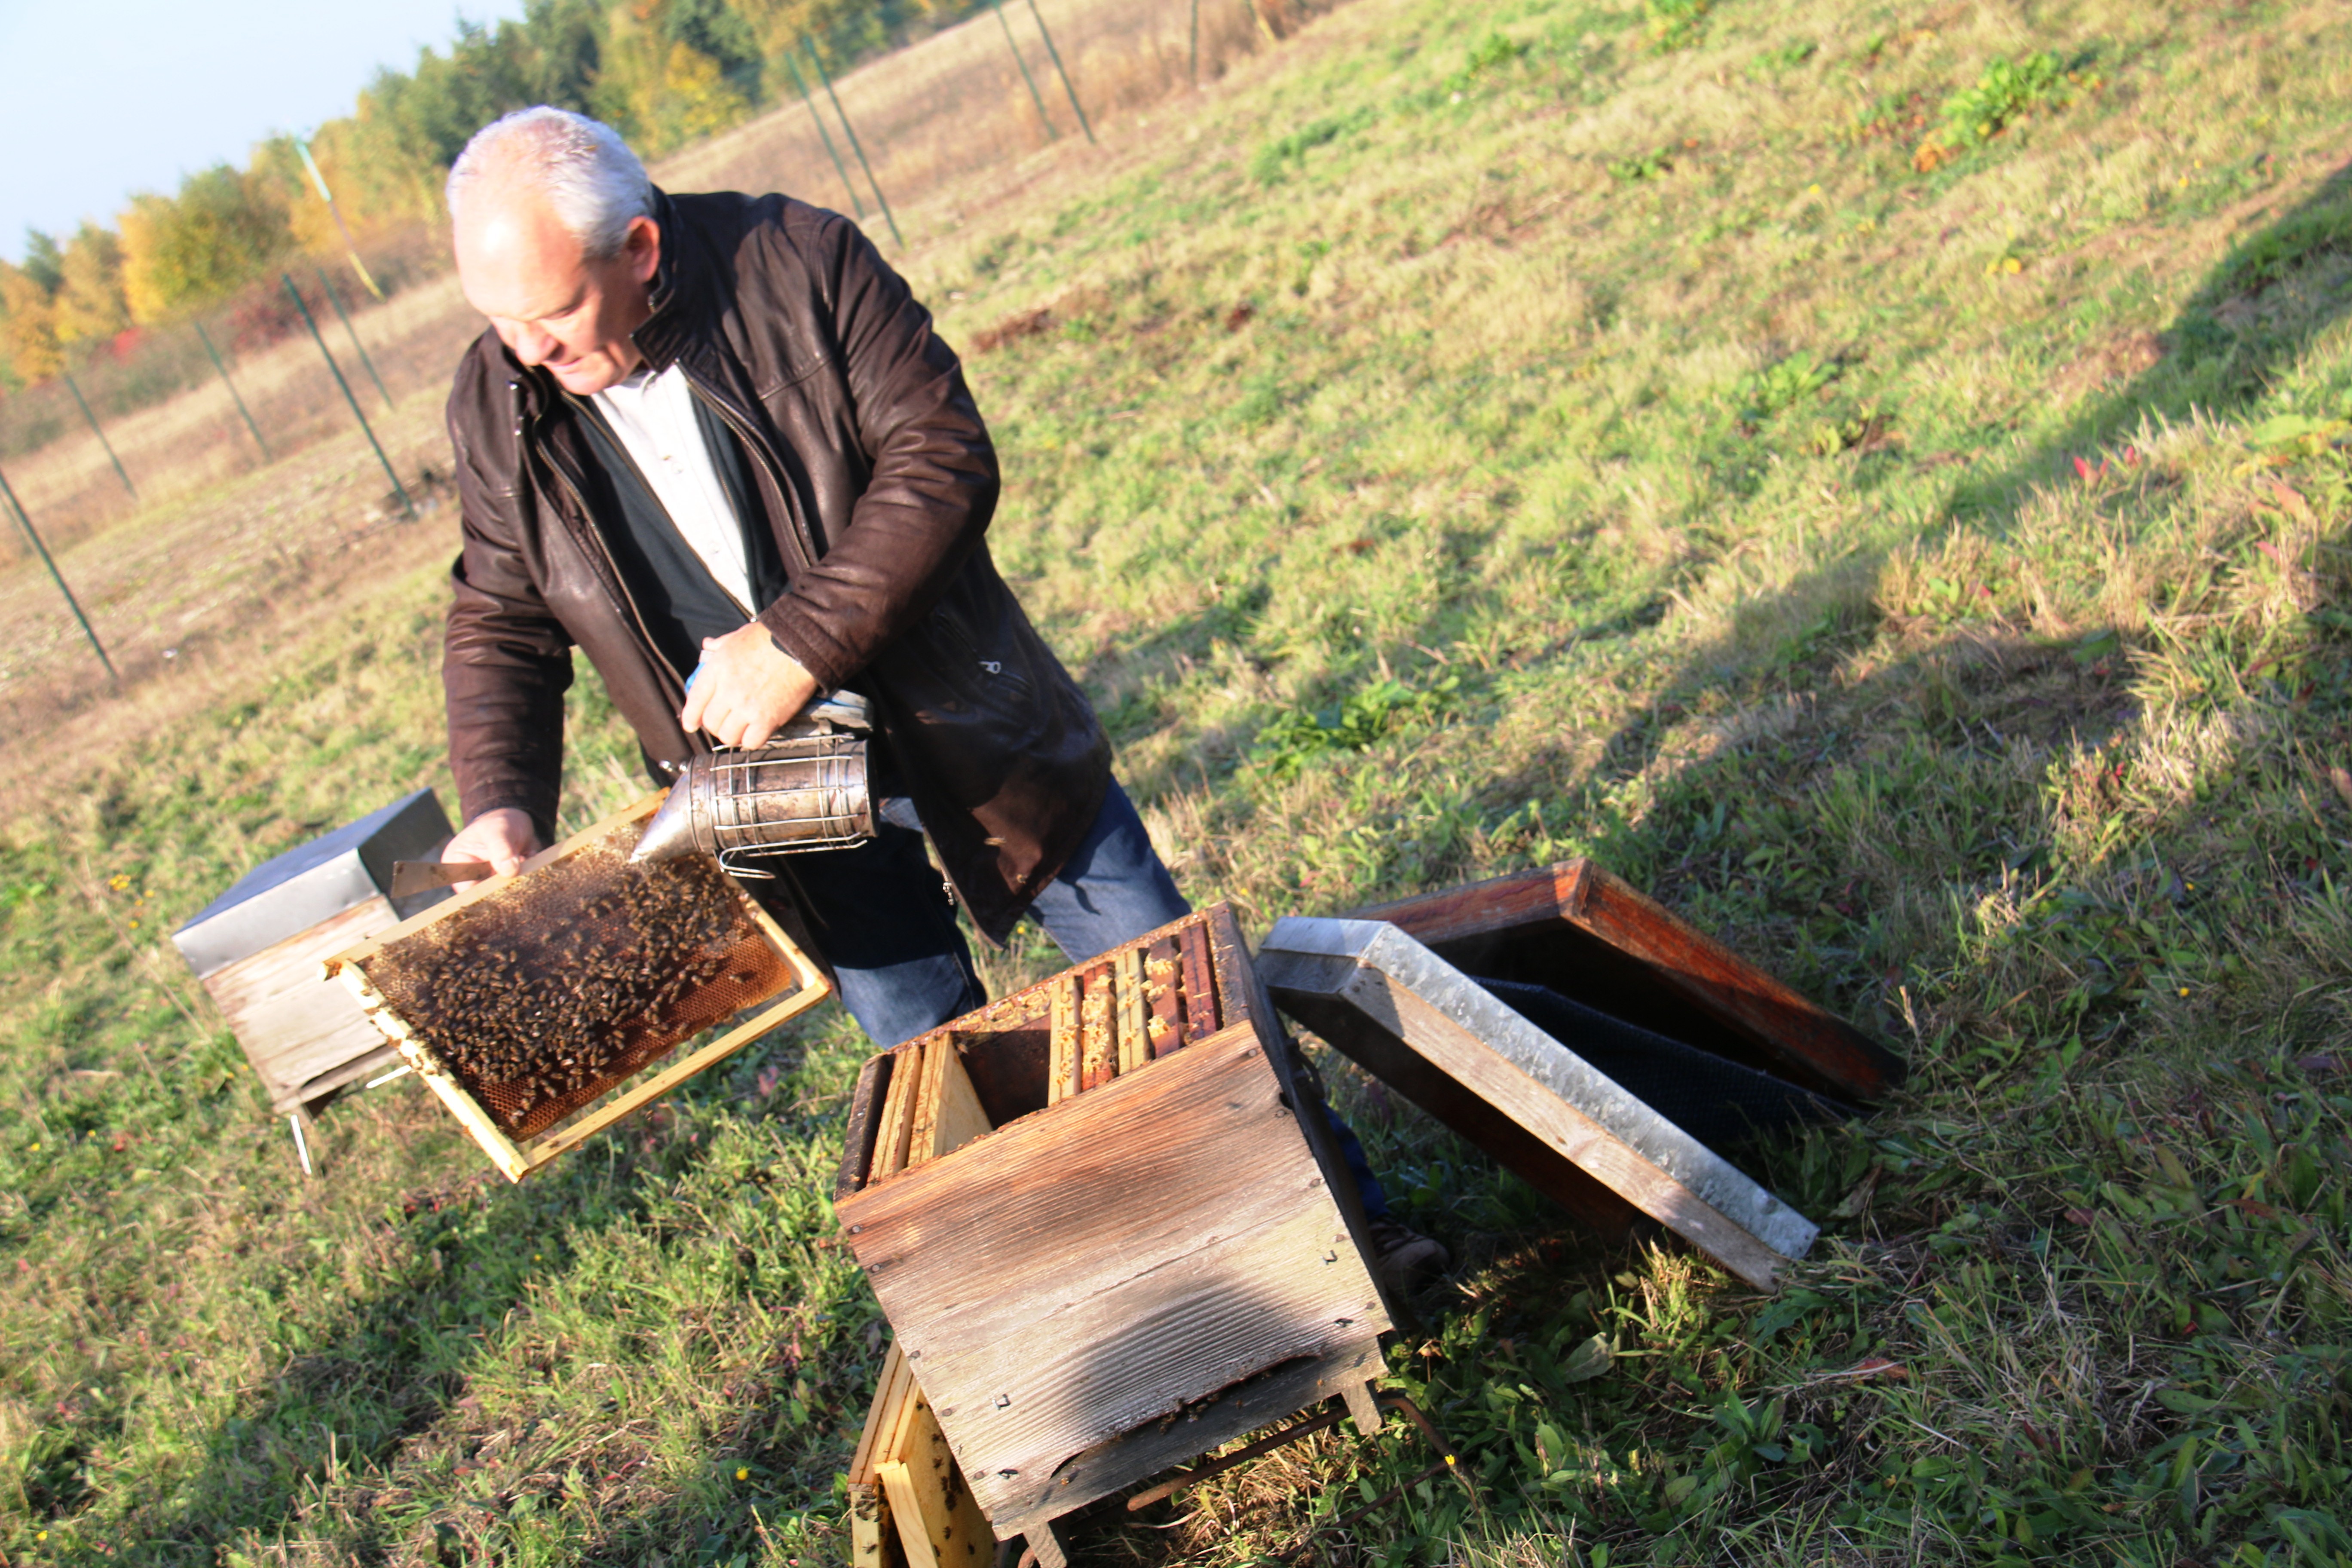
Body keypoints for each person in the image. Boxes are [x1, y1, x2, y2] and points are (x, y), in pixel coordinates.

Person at [433, 105, 1442, 1286]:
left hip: (975, 739)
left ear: (642, 251)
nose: (526, 353)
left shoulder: (801, 262)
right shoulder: (497, 396)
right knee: (932, 1086)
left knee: (1173, 989)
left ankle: (1352, 1239)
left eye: (551, 317)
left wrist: (797, 643)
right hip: (773, 806)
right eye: (497, 321)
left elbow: (941, 456)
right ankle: (1115, 1322)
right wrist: (502, 800)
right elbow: (500, 610)